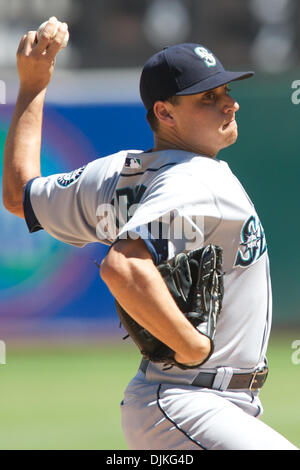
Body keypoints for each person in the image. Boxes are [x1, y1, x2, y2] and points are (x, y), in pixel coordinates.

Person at [2, 18, 298, 451]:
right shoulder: (194, 178)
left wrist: (32, 85)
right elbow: (123, 266)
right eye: (209, 98)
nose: (229, 104)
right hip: (191, 400)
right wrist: (192, 346)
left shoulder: (113, 175)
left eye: (227, 92)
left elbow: (18, 194)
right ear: (164, 112)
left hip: (190, 403)